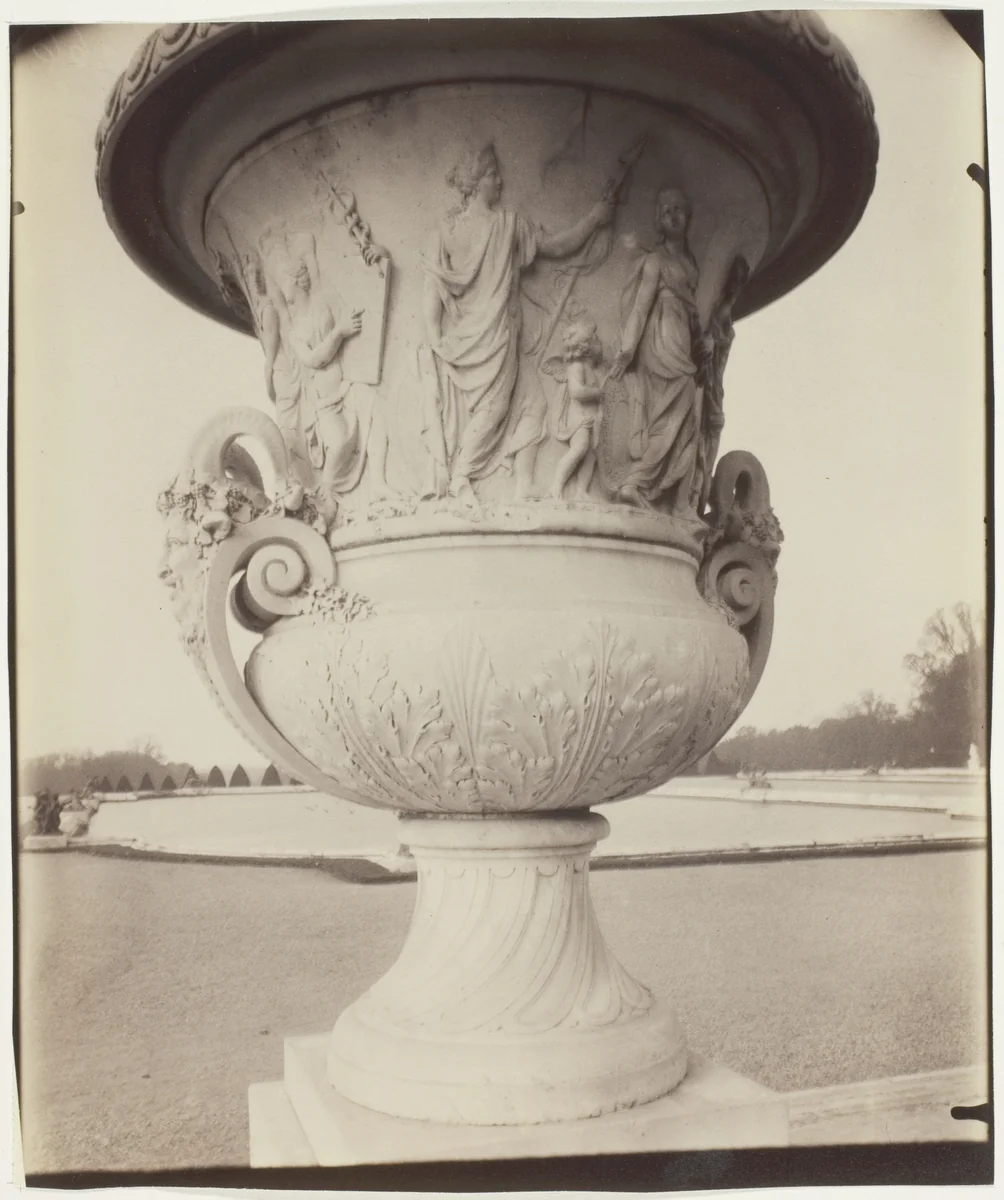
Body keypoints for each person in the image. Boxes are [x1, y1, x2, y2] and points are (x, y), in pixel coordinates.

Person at [422, 143, 615, 499]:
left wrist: (594, 219)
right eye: (494, 174)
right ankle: (461, 477)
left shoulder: (506, 225)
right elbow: (433, 289)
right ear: (477, 182)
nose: (499, 181)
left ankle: (525, 484)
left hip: (499, 338)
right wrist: (435, 341)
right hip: (481, 340)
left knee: (534, 405)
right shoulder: (461, 230)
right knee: (494, 409)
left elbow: (556, 246)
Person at [609, 186, 712, 514]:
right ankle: (635, 481)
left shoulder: (690, 263)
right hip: (661, 340)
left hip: (681, 335)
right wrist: (627, 349)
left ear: (688, 216)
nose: (674, 215)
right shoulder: (656, 260)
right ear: (658, 220)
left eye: (679, 209)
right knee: (680, 399)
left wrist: (702, 344)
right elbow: (641, 306)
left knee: (686, 419)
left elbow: (694, 312)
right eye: (667, 210)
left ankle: (678, 501)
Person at [269, 233, 366, 517]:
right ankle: (326, 495)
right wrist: (339, 332)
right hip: (324, 401)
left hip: (351, 386)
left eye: (284, 280)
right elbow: (313, 359)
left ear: (297, 280)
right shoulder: (295, 328)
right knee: (338, 444)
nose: (283, 289)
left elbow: (337, 296)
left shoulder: (323, 302)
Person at [550, 318, 605, 499]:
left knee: (591, 455)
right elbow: (576, 391)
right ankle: (556, 486)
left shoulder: (593, 372)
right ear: (585, 347)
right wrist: (598, 393)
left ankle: (581, 491)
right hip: (579, 418)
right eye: (596, 340)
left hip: (592, 419)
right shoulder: (577, 367)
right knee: (579, 449)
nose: (600, 344)